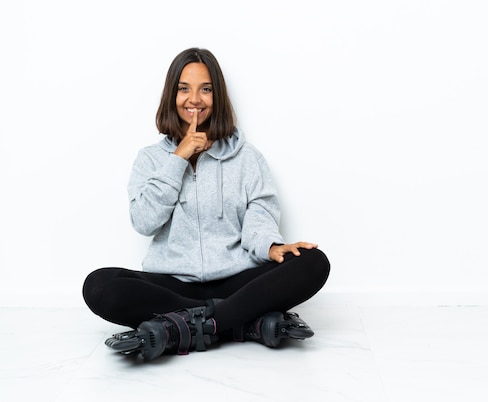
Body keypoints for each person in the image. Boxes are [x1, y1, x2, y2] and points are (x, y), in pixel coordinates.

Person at [82, 47, 331, 361]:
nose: (194, 99)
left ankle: (181, 328)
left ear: (218, 97)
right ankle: (242, 323)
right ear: (172, 95)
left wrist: (270, 247)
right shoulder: (150, 159)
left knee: (313, 261)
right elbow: (144, 221)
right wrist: (178, 158)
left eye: (206, 89)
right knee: (99, 286)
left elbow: (261, 211)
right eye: (184, 89)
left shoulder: (246, 157)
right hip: (173, 286)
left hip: (237, 282)